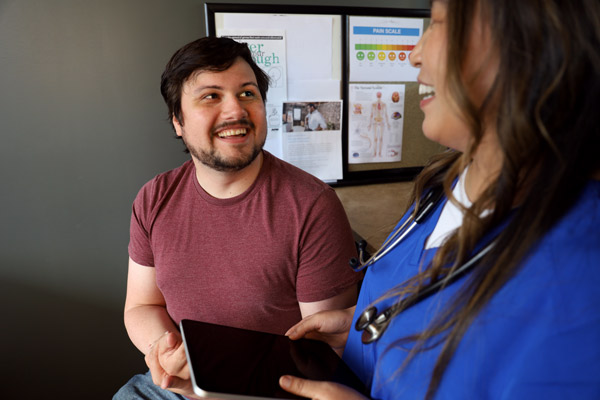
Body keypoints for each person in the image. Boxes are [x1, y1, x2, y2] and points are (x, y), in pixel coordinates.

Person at [278, 0, 600, 399]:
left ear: (530, 47)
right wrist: (365, 333)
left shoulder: (579, 295)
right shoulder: (443, 188)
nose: (415, 54)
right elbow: (425, 307)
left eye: (442, 23)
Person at [113, 36, 361, 400]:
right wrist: (169, 355)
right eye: (211, 96)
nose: (236, 111)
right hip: (179, 384)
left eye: (248, 94)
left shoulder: (312, 205)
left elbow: (322, 355)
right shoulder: (154, 198)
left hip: (270, 388)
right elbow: (141, 305)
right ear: (177, 121)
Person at [367, 91, 390, 157]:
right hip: (375, 122)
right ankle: (375, 153)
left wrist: (388, 123)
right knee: (375, 138)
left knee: (381, 138)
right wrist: (370, 124)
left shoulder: (384, 104)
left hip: (381, 122)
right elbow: (371, 114)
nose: (379, 96)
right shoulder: (373, 104)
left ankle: (379, 153)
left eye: (379, 95)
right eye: (379, 95)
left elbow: (386, 114)